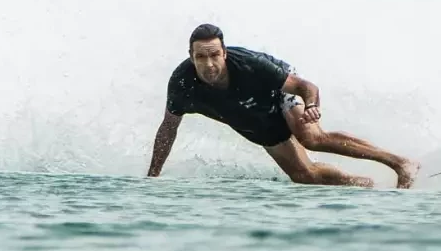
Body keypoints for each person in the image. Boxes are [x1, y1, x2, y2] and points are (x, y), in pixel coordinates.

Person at [147, 23, 419, 188]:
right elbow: (168, 128)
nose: (209, 64)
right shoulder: (182, 84)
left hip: (277, 91)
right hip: (253, 117)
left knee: (310, 137)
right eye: (200, 57)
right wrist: (153, 176)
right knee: (304, 176)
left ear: (224, 53)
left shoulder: (250, 64)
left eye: (215, 55)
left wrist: (311, 106)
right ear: (191, 56)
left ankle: (401, 163)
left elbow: (305, 87)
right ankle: (367, 186)